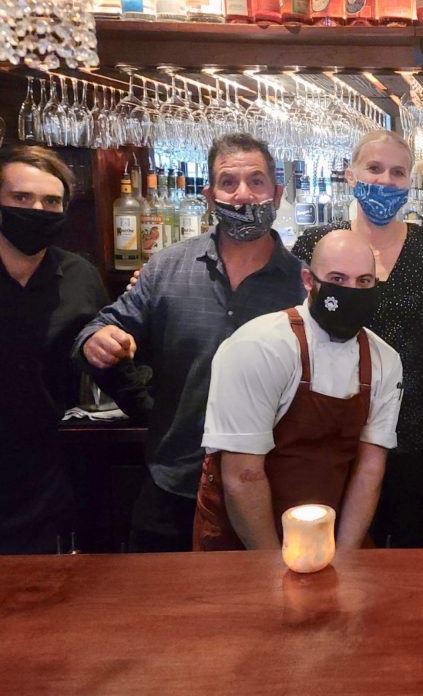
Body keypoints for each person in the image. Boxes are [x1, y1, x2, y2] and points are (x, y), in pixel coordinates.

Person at [76, 133, 305, 552]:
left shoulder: (302, 283)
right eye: (228, 183)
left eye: (256, 181)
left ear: (276, 193)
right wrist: (98, 339)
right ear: (209, 197)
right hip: (173, 481)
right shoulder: (166, 267)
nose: (243, 195)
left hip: (269, 486)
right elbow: (106, 326)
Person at [293, 131, 423, 548]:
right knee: (335, 555)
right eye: (374, 168)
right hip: (335, 431)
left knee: (411, 565)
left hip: (412, 433)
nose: (385, 180)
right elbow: (295, 333)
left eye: (397, 172)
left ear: (409, 182)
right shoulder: (317, 243)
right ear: (351, 175)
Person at [194, 231, 402, 550]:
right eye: (337, 279)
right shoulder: (259, 347)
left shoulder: (384, 360)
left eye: (364, 282)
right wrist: (272, 566)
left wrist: (345, 556)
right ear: (308, 280)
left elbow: (369, 470)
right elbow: (243, 475)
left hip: (329, 533)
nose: (351, 291)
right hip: (242, 537)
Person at [0, 147, 109, 553]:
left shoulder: (79, 276)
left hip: (45, 473)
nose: (37, 210)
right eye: (21, 198)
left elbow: (106, 359)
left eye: (51, 201)